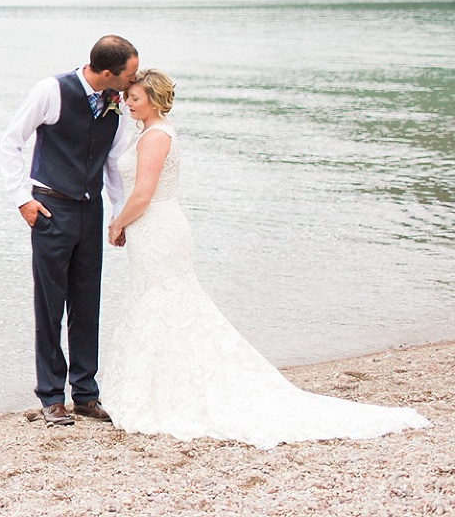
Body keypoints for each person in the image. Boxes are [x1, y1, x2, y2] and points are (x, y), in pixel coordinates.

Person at [101, 68, 430, 448]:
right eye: (127, 97)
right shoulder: (148, 132)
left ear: (155, 100)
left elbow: (143, 194)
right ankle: (159, 384)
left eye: (135, 98)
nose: (128, 102)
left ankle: (166, 391)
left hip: (156, 225)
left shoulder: (155, 136)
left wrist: (116, 224)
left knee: (166, 301)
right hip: (153, 228)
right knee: (158, 301)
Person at [0, 34, 139, 426]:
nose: (133, 81)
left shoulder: (117, 105)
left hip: (89, 210)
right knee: (50, 305)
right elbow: (11, 141)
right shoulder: (52, 90)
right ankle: (50, 396)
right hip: (50, 208)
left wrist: (118, 213)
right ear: (108, 73)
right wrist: (22, 199)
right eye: (128, 75)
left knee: (86, 302)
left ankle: (85, 394)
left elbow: (112, 163)